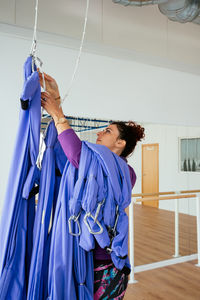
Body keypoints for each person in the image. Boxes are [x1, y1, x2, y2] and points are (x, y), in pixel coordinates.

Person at [39, 72, 145, 300]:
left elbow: (77, 154)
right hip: (93, 258)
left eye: (107, 131)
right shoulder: (105, 164)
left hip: (107, 264)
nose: (100, 132)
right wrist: (57, 104)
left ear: (120, 143)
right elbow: (78, 156)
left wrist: (57, 112)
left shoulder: (125, 172)